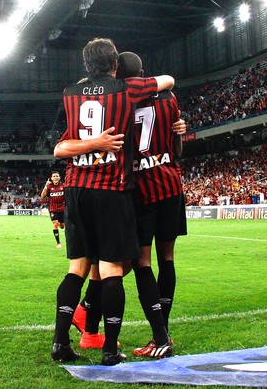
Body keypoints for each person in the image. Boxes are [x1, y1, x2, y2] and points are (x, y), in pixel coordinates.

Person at [50, 37, 175, 366]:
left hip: (76, 188)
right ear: (115, 65)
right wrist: (101, 142)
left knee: (77, 268)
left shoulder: (71, 95)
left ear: (86, 65)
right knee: (111, 269)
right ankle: (110, 348)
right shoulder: (126, 90)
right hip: (111, 188)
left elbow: (60, 150)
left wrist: (89, 142)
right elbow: (167, 81)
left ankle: (62, 343)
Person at [117, 51, 187, 358]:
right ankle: (164, 331)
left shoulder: (121, 101)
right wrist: (179, 130)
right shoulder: (170, 99)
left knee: (142, 262)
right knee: (167, 258)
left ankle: (159, 337)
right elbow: (177, 148)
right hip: (171, 184)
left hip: (142, 190)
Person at [40, 171, 65, 248]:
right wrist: (45, 186)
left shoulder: (63, 186)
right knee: (55, 223)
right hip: (53, 209)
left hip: (62, 208)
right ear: (51, 178)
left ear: (59, 177)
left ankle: (61, 224)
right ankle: (58, 243)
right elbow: (42, 196)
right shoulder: (49, 186)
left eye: (57, 176)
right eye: (54, 176)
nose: (55, 177)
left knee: (62, 225)